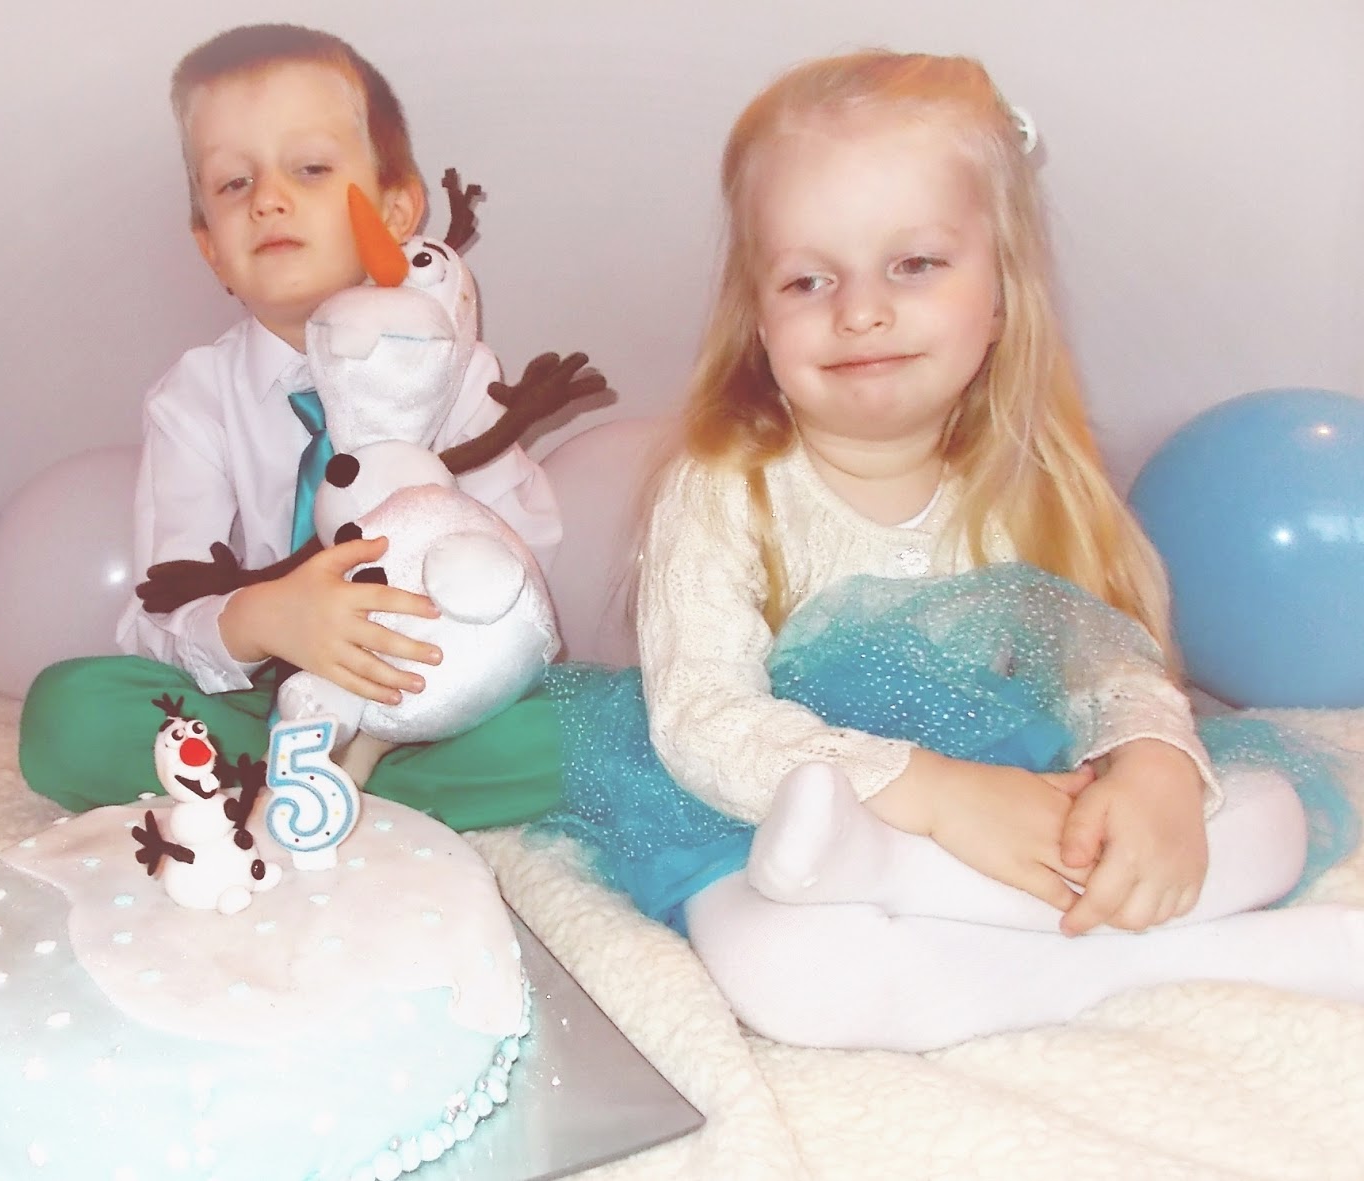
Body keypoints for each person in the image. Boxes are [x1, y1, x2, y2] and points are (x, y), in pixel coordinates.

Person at [529, 49, 1362, 1051]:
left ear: (1000, 296)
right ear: (758, 321)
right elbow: (706, 718)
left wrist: (1153, 762)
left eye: (914, 264)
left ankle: (1018, 939)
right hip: (783, 802)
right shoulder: (725, 485)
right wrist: (931, 794)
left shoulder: (1022, 479)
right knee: (782, 967)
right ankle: (1133, 938)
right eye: (807, 279)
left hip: (1009, 799)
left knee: (1266, 815)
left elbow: (1103, 664)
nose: (859, 310)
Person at [17, 24, 563, 824]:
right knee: (68, 716)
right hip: (270, 693)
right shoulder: (194, 398)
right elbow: (157, 612)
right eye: (234, 183)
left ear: (397, 211)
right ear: (210, 246)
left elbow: (530, 559)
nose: (269, 198)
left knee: (578, 730)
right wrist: (265, 618)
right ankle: (316, 776)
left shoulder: (458, 370)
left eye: (310, 169)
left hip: (434, 689)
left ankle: (337, 785)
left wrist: (444, 630)